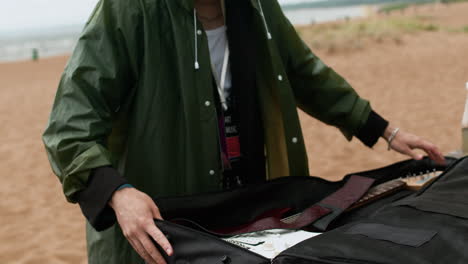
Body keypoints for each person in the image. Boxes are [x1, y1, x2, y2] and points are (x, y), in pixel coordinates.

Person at [42, 0, 445, 263]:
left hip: (249, 211)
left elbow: (306, 74)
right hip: (165, 225)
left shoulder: (256, 7)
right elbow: (69, 126)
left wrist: (386, 131)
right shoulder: (130, 10)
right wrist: (117, 193)